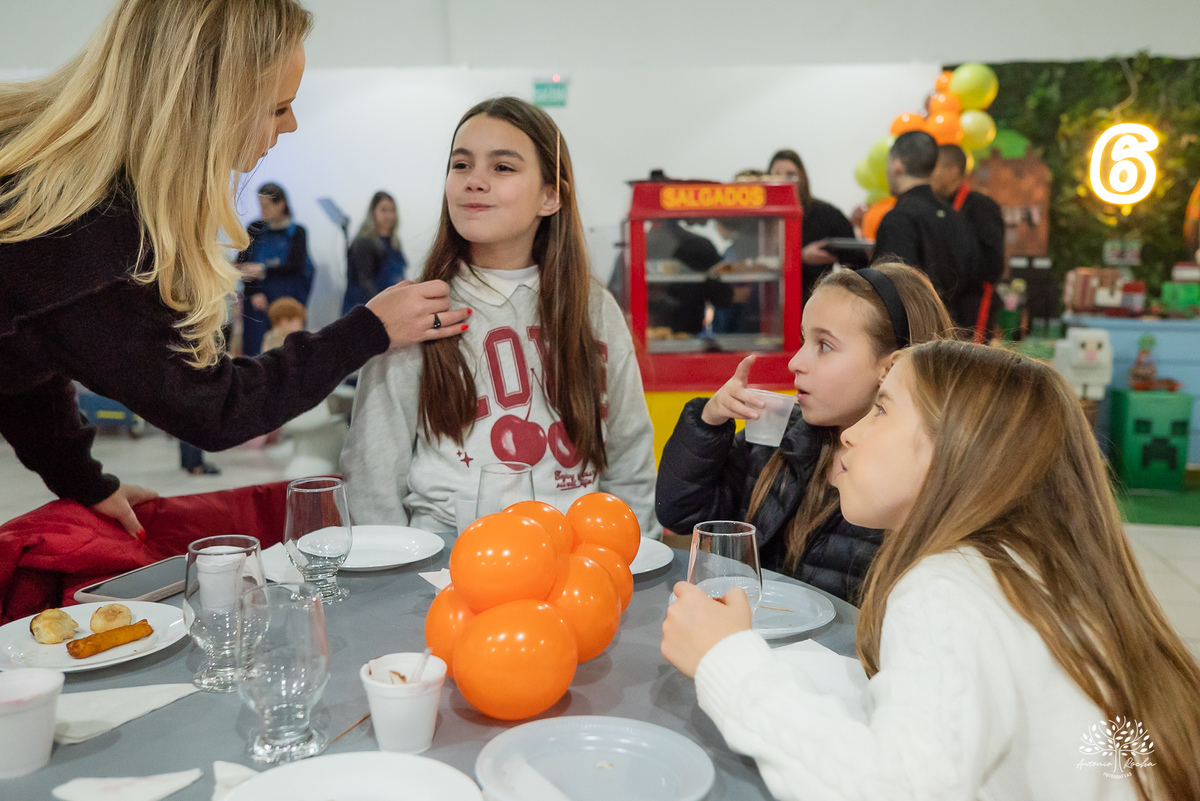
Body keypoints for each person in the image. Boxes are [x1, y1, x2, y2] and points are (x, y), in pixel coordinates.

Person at [0, 0, 467, 539]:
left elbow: (24, 355)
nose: (291, 125)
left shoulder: (53, 190)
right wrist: (368, 330)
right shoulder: (89, 238)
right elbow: (214, 410)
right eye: (277, 108)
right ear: (206, 103)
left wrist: (80, 478)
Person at [662, 340, 1200, 801]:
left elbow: (900, 788)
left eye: (881, 411)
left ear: (956, 452)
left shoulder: (948, 586)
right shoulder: (1024, 567)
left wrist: (725, 660)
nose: (850, 434)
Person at [342, 97, 659, 536]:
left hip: (575, 563)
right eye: (461, 165)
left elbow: (630, 458)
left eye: (502, 168)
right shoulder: (415, 309)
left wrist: (630, 555)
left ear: (550, 196)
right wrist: (393, 582)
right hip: (444, 568)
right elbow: (372, 475)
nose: (474, 181)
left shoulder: (592, 306)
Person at [656, 263, 954, 602]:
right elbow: (679, 513)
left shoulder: (908, 480)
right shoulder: (782, 438)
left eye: (824, 345)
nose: (795, 362)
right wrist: (709, 424)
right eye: (803, 340)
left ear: (889, 368)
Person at [872, 131, 980, 329]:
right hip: (951, 332)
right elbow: (972, 277)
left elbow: (892, 285)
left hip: (913, 337)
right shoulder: (956, 217)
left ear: (897, 165)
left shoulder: (899, 218)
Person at [767, 149, 866, 296]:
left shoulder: (827, 214)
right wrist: (800, 256)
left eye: (790, 175)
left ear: (802, 178)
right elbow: (757, 262)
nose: (783, 181)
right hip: (770, 302)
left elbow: (856, 265)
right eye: (776, 175)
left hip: (816, 300)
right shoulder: (763, 219)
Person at [930, 144, 1006, 332]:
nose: (929, 175)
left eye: (934, 167)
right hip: (946, 298)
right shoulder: (937, 206)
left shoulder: (980, 206)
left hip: (974, 299)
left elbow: (992, 261)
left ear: (953, 171)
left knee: (971, 358)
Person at [237, 182, 311, 355]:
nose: (262, 211)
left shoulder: (298, 232)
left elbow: (296, 267)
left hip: (286, 300)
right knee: (256, 352)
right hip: (257, 303)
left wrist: (263, 269)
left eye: (266, 206)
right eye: (260, 206)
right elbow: (242, 265)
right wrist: (254, 291)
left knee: (286, 349)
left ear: (281, 204)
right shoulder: (254, 229)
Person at [343, 191, 408, 314]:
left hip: (392, 307)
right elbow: (365, 282)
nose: (389, 215)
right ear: (373, 212)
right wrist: (382, 307)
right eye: (384, 210)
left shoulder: (394, 242)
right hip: (364, 310)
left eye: (392, 210)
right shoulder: (363, 242)